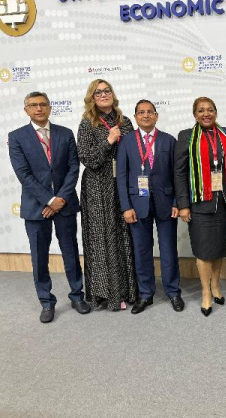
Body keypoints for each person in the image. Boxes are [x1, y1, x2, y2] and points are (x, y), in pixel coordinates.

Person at [9, 91, 91, 323]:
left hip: (65, 205)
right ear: (26, 109)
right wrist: (49, 200)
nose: (39, 108)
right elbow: (23, 174)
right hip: (36, 207)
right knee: (39, 256)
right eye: (33, 105)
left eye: (43, 104)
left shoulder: (65, 133)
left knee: (71, 252)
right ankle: (46, 301)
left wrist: (60, 199)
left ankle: (77, 296)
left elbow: (73, 167)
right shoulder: (16, 137)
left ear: (49, 107)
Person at [116, 100, 183, 314]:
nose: (146, 115)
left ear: (156, 116)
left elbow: (177, 175)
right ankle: (145, 294)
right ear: (135, 116)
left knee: (168, 250)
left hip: (166, 203)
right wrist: (126, 207)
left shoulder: (169, 140)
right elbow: (121, 176)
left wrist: (177, 202)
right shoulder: (126, 142)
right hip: (137, 205)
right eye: (141, 112)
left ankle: (173, 292)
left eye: (150, 112)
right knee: (142, 251)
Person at [174, 97, 226, 316]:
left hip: (223, 202)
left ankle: (216, 286)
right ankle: (205, 292)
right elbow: (179, 172)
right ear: (195, 114)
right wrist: (183, 205)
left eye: (210, 109)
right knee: (203, 250)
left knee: (218, 248)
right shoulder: (186, 136)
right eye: (201, 110)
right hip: (199, 203)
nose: (206, 114)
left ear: (216, 112)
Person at [77, 79, 137, 311]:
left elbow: (134, 155)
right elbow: (87, 159)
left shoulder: (125, 121)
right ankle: (105, 293)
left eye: (107, 90)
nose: (103, 95)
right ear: (92, 97)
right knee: (102, 239)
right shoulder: (87, 123)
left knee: (123, 237)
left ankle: (127, 290)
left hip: (121, 185)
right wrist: (108, 141)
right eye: (98, 92)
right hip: (97, 188)